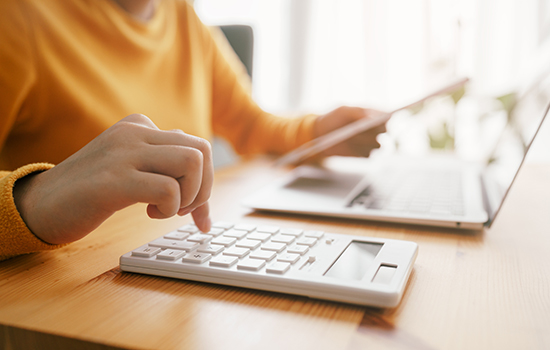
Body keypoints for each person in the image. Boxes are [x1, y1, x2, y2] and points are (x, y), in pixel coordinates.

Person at [0, 0, 386, 261]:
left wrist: (321, 129)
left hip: (176, 268)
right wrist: (33, 199)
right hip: (61, 296)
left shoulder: (180, 14)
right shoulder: (18, 17)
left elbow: (252, 127)